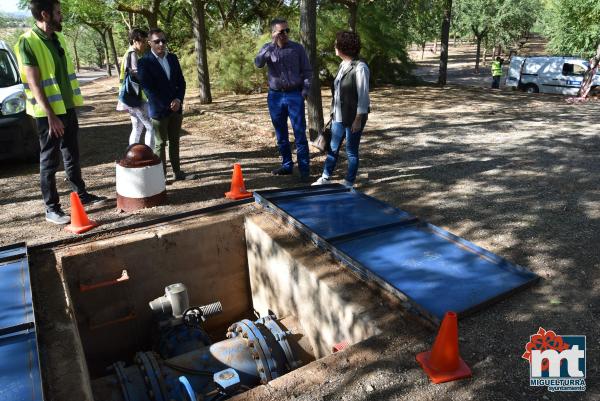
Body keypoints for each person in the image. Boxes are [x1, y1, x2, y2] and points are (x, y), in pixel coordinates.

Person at [14, 0, 106, 225]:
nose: (61, 15)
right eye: (57, 12)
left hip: (67, 108)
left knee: (72, 154)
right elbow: (35, 84)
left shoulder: (59, 38)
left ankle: (81, 195)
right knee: (49, 160)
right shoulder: (28, 42)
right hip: (48, 115)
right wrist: (51, 115)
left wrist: (68, 107)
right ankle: (51, 209)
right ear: (45, 15)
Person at [255, 18, 313, 182]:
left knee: (300, 133)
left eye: (287, 31)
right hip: (275, 96)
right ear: (274, 33)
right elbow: (258, 63)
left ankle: (304, 170)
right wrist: (271, 46)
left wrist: (305, 91)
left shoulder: (297, 48)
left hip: (295, 95)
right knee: (281, 134)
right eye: (281, 31)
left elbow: (308, 72)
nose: (285, 34)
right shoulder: (268, 48)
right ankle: (287, 165)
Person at [312, 31, 370, 189]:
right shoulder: (343, 64)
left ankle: (349, 182)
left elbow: (363, 97)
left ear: (344, 47)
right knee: (332, 148)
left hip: (353, 118)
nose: (334, 46)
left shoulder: (360, 67)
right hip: (338, 115)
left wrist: (358, 119)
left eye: (336, 43)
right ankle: (325, 177)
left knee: (351, 151)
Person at [137, 28, 192, 181]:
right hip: (159, 110)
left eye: (163, 40)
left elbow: (181, 82)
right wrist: (168, 103)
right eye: (157, 41)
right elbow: (148, 89)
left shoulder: (173, 58)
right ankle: (161, 176)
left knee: (175, 141)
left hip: (176, 108)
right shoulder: (144, 62)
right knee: (160, 144)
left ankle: (177, 172)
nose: (161, 44)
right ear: (150, 43)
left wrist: (178, 100)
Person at [117, 28, 154, 148]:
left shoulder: (127, 53)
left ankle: (132, 156)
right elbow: (137, 74)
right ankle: (151, 154)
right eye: (142, 41)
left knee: (137, 127)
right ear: (135, 41)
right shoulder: (132, 54)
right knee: (151, 127)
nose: (144, 44)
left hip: (127, 98)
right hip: (135, 99)